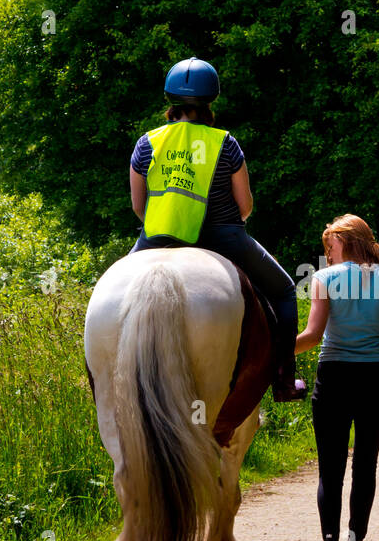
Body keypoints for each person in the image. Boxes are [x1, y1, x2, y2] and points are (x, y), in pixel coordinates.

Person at [129, 56, 306, 402]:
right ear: (210, 101)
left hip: (157, 239)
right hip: (224, 239)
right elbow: (245, 205)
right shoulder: (225, 143)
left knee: (110, 291)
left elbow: (139, 206)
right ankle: (284, 381)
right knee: (285, 291)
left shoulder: (146, 143)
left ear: (170, 100)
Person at [295, 214, 379, 541]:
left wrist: (273, 353)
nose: (327, 255)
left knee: (330, 471)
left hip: (333, 378)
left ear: (345, 242)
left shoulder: (324, 280)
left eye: (330, 246)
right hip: (375, 380)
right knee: (365, 466)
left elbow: (312, 336)